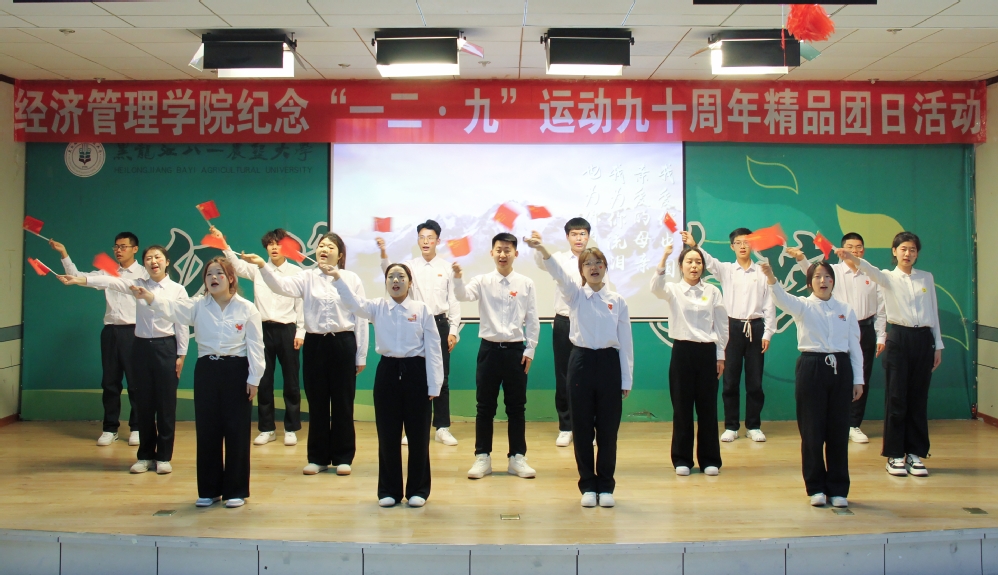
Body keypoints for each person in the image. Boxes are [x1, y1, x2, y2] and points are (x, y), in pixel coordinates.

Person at [132, 257, 264, 509]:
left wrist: (254, 378)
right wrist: (149, 297)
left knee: (236, 431)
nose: (213, 278)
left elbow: (256, 346)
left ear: (231, 278)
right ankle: (209, 490)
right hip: (207, 370)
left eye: (219, 273)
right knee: (207, 430)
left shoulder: (247, 309)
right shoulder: (197, 306)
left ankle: (235, 490)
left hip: (237, 370)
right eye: (209, 274)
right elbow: (171, 308)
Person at [239, 233, 369, 476]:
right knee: (317, 402)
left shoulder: (351, 278)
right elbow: (280, 286)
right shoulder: (306, 277)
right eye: (321, 245)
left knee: (342, 403)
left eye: (330, 246)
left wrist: (360, 355)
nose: (324, 249)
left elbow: (360, 317)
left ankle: (343, 457)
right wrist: (262, 266)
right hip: (316, 344)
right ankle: (318, 458)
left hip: (343, 343)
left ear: (340, 254)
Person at [58, 245, 189, 475]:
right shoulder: (137, 285)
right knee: (143, 403)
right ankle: (145, 456)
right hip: (141, 347)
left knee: (166, 405)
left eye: (158, 257)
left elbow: (182, 324)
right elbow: (111, 282)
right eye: (149, 258)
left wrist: (181, 355)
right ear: (144, 264)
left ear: (167, 262)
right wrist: (79, 280)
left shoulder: (177, 290)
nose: (153, 261)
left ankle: (163, 457)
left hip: (166, 347)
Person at [527, 235, 633, 509]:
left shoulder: (618, 301)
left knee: (607, 431)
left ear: (605, 267)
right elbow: (558, 274)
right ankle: (587, 485)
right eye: (588, 264)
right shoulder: (574, 296)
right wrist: (542, 249)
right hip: (581, 362)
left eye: (598, 263)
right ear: (581, 270)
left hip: (609, 364)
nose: (594, 267)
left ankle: (605, 486)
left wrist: (626, 378)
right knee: (583, 429)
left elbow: (626, 342)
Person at [328, 262, 443, 508]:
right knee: (388, 435)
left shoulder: (421, 309)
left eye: (401, 276)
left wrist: (435, 385)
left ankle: (418, 490)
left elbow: (434, 348)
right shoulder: (377, 307)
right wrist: (337, 277)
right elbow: (353, 304)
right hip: (387, 372)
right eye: (391, 276)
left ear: (410, 282)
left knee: (419, 436)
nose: (396, 280)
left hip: (416, 373)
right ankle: (389, 490)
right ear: (386, 282)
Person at [834, 232, 942, 478]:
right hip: (899, 339)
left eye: (912, 249)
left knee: (918, 399)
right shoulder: (886, 277)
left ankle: (915, 453)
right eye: (903, 249)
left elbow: (933, 312)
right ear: (894, 251)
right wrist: (852, 257)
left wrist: (938, 345)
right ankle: (895, 455)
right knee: (896, 398)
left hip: (924, 340)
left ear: (917, 253)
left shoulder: (926, 277)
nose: (908, 254)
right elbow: (869, 269)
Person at [761, 260, 863, 508]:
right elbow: (782, 299)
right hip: (811, 367)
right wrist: (771, 277)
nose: (823, 281)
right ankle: (815, 487)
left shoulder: (846, 309)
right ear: (809, 283)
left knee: (838, 432)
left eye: (827, 276)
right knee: (812, 431)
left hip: (840, 369)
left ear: (833, 281)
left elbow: (855, 346)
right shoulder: (803, 306)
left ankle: (838, 489)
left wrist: (858, 379)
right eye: (817, 276)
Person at [454, 233, 540, 481]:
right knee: (484, 407)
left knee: (517, 407)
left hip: (515, 352)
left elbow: (532, 319)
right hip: (489, 351)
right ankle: (482, 456)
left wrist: (530, 349)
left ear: (516, 253)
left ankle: (517, 457)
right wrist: (458, 278)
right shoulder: (482, 281)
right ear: (491, 253)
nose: (503, 254)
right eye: (499, 250)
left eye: (507, 250)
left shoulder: (526, 283)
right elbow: (462, 295)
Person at [50, 232, 148, 447]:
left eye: (123, 246)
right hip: (111, 332)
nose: (118, 250)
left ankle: (137, 427)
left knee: (136, 383)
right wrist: (64, 253)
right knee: (110, 383)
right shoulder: (109, 271)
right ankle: (110, 428)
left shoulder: (144, 272)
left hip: (135, 332)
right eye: (116, 247)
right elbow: (77, 276)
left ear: (135, 249)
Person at [788, 232, 886, 444]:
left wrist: (881, 335)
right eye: (850, 247)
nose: (854, 251)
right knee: (838, 378)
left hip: (865, 327)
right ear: (842, 250)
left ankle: (854, 424)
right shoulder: (834, 273)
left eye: (858, 247)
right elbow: (813, 274)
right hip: (838, 326)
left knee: (861, 376)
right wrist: (801, 259)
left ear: (863, 250)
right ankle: (833, 423)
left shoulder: (871, 273)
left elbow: (881, 307)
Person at [212, 226, 305, 448]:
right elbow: (236, 265)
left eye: (278, 244)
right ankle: (267, 428)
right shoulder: (257, 269)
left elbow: (301, 303)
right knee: (263, 380)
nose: (274, 248)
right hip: (262, 330)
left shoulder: (296, 272)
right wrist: (224, 244)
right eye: (270, 244)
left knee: (291, 382)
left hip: (288, 330)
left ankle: (291, 428)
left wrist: (301, 331)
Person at [682, 229, 775, 443]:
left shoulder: (762, 272)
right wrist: (694, 246)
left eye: (746, 242)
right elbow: (708, 261)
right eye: (738, 242)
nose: (742, 246)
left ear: (753, 245)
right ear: (732, 246)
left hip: (755, 327)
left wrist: (768, 332)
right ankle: (731, 426)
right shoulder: (726, 270)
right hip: (731, 327)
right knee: (730, 380)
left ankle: (753, 426)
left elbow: (769, 304)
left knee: (755, 381)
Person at [377, 219, 460, 447]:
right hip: (414, 323)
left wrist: (454, 330)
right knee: (414, 377)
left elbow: (453, 300)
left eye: (430, 238)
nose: (425, 241)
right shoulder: (409, 266)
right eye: (422, 237)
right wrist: (383, 253)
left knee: (441, 377)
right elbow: (389, 273)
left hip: (439, 323)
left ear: (438, 241)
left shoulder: (446, 268)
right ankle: (412, 427)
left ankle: (442, 427)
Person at [651, 242, 728, 476]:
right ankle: (682, 459)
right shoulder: (673, 289)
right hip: (682, 352)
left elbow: (722, 326)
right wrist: (663, 258)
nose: (694, 266)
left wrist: (721, 356)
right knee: (682, 408)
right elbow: (655, 288)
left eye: (698, 262)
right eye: (689, 262)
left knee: (708, 409)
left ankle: (709, 459)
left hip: (707, 353)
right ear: (681, 266)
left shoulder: (712, 291)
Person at [531, 217, 591, 447]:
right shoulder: (560, 259)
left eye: (583, 234)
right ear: (567, 237)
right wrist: (539, 246)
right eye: (574, 234)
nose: (579, 238)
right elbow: (542, 263)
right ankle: (566, 427)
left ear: (588, 236)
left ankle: (587, 427)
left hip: (589, 322)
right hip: (564, 321)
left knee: (587, 377)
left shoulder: (596, 260)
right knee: (564, 375)